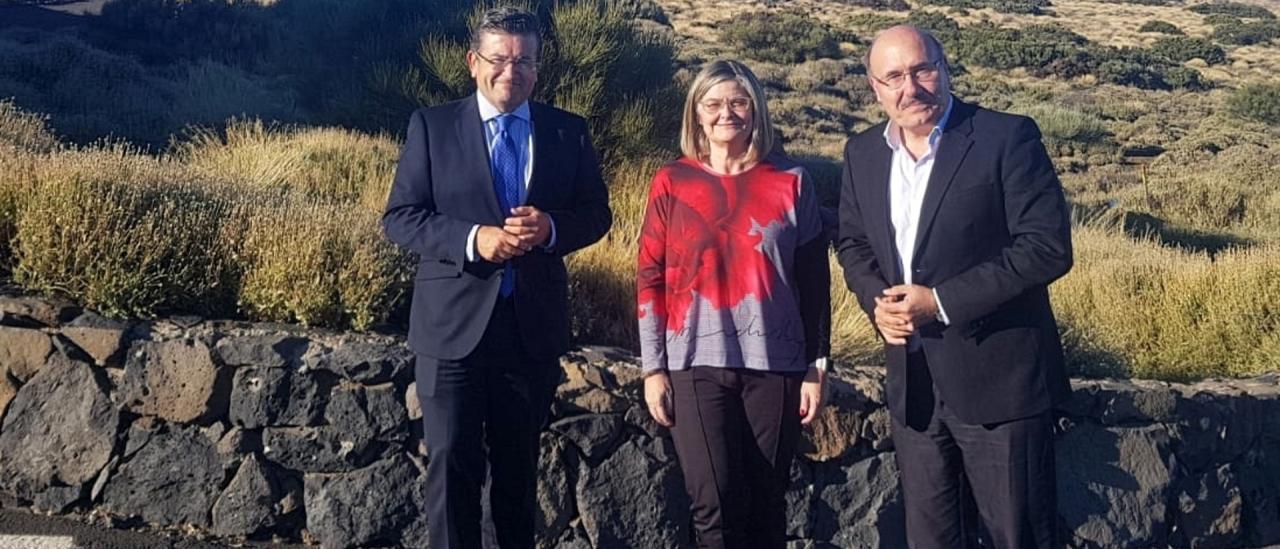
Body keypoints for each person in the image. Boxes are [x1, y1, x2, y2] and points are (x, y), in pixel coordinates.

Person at [381, 7, 611, 549]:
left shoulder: (566, 131)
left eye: (524, 60)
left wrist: (553, 227)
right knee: (452, 469)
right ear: (473, 62)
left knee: (517, 475)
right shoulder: (432, 126)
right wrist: (473, 239)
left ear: (538, 65)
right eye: (499, 59)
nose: (512, 71)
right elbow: (401, 218)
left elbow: (597, 214)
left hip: (528, 331)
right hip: (451, 330)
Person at [835, 25, 1073, 549]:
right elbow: (852, 244)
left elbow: (1046, 248)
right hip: (914, 387)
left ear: (944, 69)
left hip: (1001, 384)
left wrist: (939, 303)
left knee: (1018, 537)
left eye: (921, 70)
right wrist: (879, 301)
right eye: (893, 76)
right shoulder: (862, 154)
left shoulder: (1005, 137)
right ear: (874, 88)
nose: (910, 87)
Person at [636, 59, 831, 549]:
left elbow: (814, 282)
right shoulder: (672, 182)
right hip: (693, 363)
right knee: (714, 502)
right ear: (696, 114)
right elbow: (650, 278)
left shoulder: (792, 181)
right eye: (714, 103)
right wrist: (652, 368)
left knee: (766, 499)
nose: (727, 113)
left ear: (756, 110)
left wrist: (817, 366)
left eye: (739, 102)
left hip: (777, 366)